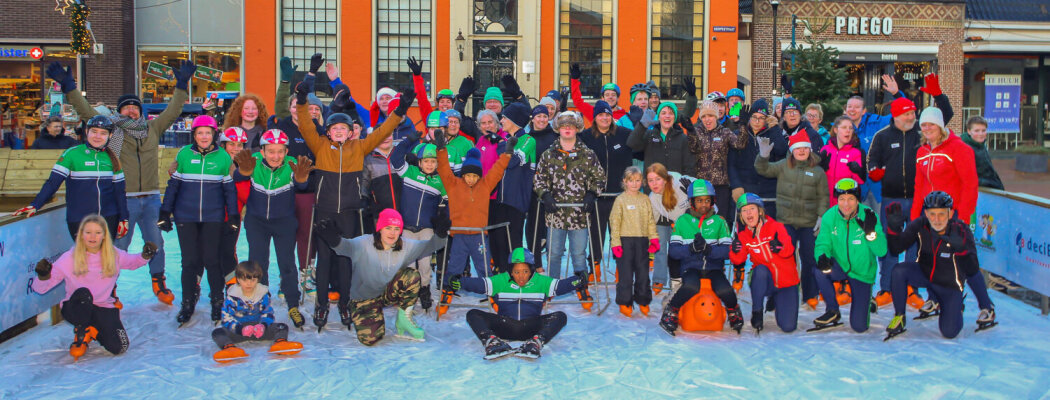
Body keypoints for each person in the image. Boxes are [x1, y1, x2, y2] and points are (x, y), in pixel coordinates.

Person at [48, 60, 192, 306]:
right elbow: (84, 111)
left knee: (155, 242)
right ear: (119, 111)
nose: (131, 111)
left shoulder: (152, 128)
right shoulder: (111, 130)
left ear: (141, 111)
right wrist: (69, 86)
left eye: (135, 108)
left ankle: (158, 281)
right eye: (126, 108)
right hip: (122, 200)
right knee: (116, 246)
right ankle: (109, 288)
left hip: (150, 198)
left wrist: (181, 85)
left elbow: (173, 110)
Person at [294, 71, 414, 330]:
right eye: (335, 128)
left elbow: (384, 129)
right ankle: (322, 304)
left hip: (349, 213)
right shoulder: (320, 147)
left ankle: (346, 303)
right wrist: (302, 99)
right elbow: (304, 124)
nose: (339, 132)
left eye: (344, 129)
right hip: (325, 212)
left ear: (350, 132)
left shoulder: (359, 147)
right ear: (328, 132)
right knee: (325, 259)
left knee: (346, 260)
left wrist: (401, 109)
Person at [867, 83, 953, 308]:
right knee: (890, 245)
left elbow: (947, 116)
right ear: (896, 115)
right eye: (907, 113)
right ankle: (887, 288)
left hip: (918, 199)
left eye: (913, 113)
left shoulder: (922, 134)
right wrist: (875, 171)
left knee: (915, 245)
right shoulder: (882, 136)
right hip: (891, 199)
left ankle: (911, 289)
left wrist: (938, 95)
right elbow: (872, 161)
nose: (912, 117)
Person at [30, 214, 158, 360]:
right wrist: (43, 276)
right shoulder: (69, 257)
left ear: (104, 235)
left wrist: (145, 256)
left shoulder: (113, 254)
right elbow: (40, 288)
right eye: (88, 232)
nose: (93, 237)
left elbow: (132, 262)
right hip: (76, 306)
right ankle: (82, 330)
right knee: (84, 294)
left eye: (97, 233)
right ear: (81, 235)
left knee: (120, 347)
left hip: (102, 306)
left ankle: (92, 331)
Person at [314, 208, 447, 344]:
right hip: (364, 298)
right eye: (388, 227)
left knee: (411, 276)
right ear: (380, 229)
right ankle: (373, 315)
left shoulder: (405, 246)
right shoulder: (364, 243)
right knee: (371, 338)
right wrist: (334, 240)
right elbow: (345, 247)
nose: (392, 233)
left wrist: (441, 234)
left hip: (386, 292)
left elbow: (431, 246)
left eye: (396, 228)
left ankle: (404, 320)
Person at [162, 114, 241, 326]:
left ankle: (217, 301)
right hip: (185, 216)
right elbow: (173, 186)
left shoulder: (223, 157)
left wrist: (233, 215)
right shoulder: (184, 155)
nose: (204, 136)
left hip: (212, 216)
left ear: (214, 134)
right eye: (200, 133)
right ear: (194, 135)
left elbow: (230, 192)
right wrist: (164, 212)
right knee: (189, 261)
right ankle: (187, 302)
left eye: (208, 132)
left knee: (212, 260)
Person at [883, 191, 995, 340]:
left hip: (949, 286)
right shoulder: (921, 224)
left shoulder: (960, 230)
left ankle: (962, 307)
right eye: (932, 214)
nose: (936, 219)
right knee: (899, 270)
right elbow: (896, 249)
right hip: (926, 275)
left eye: (942, 214)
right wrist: (893, 230)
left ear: (950, 213)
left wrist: (961, 251)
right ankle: (899, 316)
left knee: (949, 332)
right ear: (926, 214)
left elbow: (972, 270)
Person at [232, 129, 314, 329]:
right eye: (270, 151)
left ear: (286, 151)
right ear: (262, 151)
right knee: (259, 263)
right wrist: (242, 172)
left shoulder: (293, 163)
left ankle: (293, 305)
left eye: (280, 151)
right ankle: (261, 303)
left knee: (287, 263)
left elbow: (302, 188)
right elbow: (237, 180)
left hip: (284, 221)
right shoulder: (253, 161)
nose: (275, 156)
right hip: (257, 221)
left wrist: (302, 179)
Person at [534, 111, 606, 312]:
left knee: (578, 253)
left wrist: (592, 194)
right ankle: (551, 287)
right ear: (558, 129)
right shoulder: (549, 155)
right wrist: (545, 195)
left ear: (577, 129)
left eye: (571, 125)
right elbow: (539, 179)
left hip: (579, 215)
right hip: (556, 214)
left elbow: (599, 178)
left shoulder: (588, 154)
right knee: (554, 253)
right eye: (564, 125)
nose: (567, 128)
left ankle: (581, 286)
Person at [456, 248, 584, 359]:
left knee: (560, 316)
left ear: (532, 271)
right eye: (517, 272)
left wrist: (578, 280)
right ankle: (493, 342)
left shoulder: (541, 282)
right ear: (510, 271)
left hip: (531, 328)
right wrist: (459, 282)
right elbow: (478, 284)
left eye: (525, 271)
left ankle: (535, 343)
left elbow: (561, 286)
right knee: (473, 314)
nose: (521, 276)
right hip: (505, 325)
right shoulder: (500, 280)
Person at [435, 133, 512, 317]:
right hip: (460, 235)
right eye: (468, 175)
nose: (471, 179)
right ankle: (447, 290)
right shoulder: (453, 184)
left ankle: (492, 292)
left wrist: (507, 153)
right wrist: (440, 148)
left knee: (484, 266)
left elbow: (497, 170)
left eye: (474, 175)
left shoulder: (485, 185)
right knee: (455, 266)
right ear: (463, 174)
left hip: (478, 235)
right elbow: (444, 168)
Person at [15, 116, 128, 240]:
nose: (97, 136)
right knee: (85, 258)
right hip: (80, 218)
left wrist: (123, 218)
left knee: (106, 258)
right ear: (86, 132)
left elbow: (119, 192)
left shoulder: (113, 158)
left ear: (110, 136)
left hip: (109, 217)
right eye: (94, 131)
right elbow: (52, 183)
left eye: (103, 133)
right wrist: (35, 205)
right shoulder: (72, 154)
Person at [755, 131, 828, 309]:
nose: (801, 151)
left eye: (805, 148)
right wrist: (763, 156)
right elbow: (763, 169)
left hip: (809, 223)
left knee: (809, 258)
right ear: (792, 150)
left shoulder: (817, 172)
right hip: (786, 221)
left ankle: (810, 294)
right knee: (784, 257)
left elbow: (824, 196)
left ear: (809, 150)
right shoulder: (783, 166)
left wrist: (821, 216)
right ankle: (782, 293)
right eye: (798, 148)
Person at [661, 179, 743, 336]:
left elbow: (727, 251)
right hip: (691, 267)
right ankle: (672, 310)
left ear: (712, 201)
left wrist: (709, 250)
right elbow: (674, 251)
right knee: (691, 286)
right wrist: (691, 249)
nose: (703, 204)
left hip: (714, 268)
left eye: (707, 200)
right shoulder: (682, 221)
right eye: (699, 201)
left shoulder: (719, 222)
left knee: (725, 290)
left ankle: (733, 310)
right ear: (692, 202)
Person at [812, 178, 887, 333]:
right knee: (819, 270)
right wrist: (822, 256)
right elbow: (822, 244)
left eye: (851, 199)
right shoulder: (829, 216)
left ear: (857, 199)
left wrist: (871, 234)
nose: (846, 204)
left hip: (861, 272)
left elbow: (882, 251)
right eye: (842, 199)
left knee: (859, 327)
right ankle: (833, 310)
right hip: (840, 266)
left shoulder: (869, 215)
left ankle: (865, 298)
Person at [729, 193, 800, 334]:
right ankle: (757, 311)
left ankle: (776, 298)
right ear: (741, 216)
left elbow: (789, 250)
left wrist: (779, 247)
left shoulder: (776, 227)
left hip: (786, 282)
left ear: (760, 211)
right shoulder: (744, 236)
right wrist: (734, 249)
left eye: (752, 209)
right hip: (764, 281)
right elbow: (738, 260)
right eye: (744, 210)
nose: (748, 213)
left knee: (788, 326)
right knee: (760, 270)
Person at [580, 100, 634, 280]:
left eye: (607, 114)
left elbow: (641, 145)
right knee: (596, 235)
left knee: (619, 236)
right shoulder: (585, 137)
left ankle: (621, 268)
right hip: (596, 196)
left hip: (618, 196)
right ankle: (594, 267)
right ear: (595, 118)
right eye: (601, 115)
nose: (605, 118)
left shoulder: (624, 134)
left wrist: (640, 123)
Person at [392, 142, 448, 312]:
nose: (429, 165)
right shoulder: (410, 172)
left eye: (433, 162)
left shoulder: (440, 182)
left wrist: (442, 224)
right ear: (419, 162)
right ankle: (410, 291)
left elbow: (448, 204)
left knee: (424, 263)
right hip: (408, 227)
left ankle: (424, 289)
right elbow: (395, 158)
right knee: (409, 263)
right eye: (426, 161)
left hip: (426, 228)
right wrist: (409, 141)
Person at [211, 261, 303, 362]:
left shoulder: (262, 294)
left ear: (258, 279)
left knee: (282, 327)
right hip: (239, 330)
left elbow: (268, 313)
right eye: (244, 279)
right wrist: (240, 328)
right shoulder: (233, 296)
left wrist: (263, 325)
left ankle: (280, 342)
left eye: (253, 280)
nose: (249, 283)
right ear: (238, 279)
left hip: (258, 329)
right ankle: (229, 348)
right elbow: (226, 317)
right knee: (218, 332)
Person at [488, 102, 537, 275]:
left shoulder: (528, 139)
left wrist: (501, 144)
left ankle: (516, 275)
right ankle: (502, 274)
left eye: (504, 118)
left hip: (516, 201)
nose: (501, 121)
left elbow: (513, 160)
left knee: (513, 243)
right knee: (498, 241)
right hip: (500, 200)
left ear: (514, 120)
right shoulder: (508, 139)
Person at [911, 107, 978, 224]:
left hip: (951, 213)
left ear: (940, 126)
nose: (927, 128)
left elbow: (970, 184)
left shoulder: (959, 148)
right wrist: (915, 216)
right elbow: (919, 185)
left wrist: (963, 218)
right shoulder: (922, 151)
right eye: (924, 125)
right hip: (928, 212)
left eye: (932, 124)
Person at [609, 166, 659, 317]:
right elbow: (615, 223)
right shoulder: (620, 200)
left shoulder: (645, 199)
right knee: (625, 275)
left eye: (638, 180)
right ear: (625, 182)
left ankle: (643, 300)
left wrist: (654, 239)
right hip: (625, 242)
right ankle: (625, 302)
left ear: (642, 182)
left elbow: (650, 221)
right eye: (631, 181)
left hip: (642, 242)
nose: (635, 184)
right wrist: (616, 243)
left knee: (643, 273)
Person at [689, 100, 749, 223]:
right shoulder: (697, 132)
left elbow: (740, 144)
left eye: (710, 116)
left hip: (721, 185)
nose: (707, 119)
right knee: (701, 220)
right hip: (702, 185)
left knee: (720, 220)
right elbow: (692, 148)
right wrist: (690, 132)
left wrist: (743, 125)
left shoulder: (725, 132)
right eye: (704, 116)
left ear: (716, 117)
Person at [728, 98, 784, 217]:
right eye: (754, 117)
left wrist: (775, 128)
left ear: (766, 119)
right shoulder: (739, 134)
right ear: (749, 117)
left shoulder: (772, 133)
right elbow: (731, 163)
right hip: (745, 187)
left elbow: (782, 151)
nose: (757, 121)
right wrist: (736, 185)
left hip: (768, 190)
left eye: (762, 118)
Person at [646, 163, 692, 295]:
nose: (654, 183)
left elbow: (707, 196)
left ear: (665, 179)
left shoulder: (680, 183)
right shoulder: (653, 198)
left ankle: (683, 278)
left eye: (658, 179)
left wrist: (693, 193)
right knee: (660, 247)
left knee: (680, 250)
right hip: (668, 222)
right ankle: (659, 279)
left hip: (687, 222)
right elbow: (650, 221)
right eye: (650, 180)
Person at [215, 128, 252, 284]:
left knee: (228, 253)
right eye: (232, 144)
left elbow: (246, 196)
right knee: (207, 254)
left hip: (231, 218)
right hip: (210, 216)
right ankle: (211, 287)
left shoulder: (243, 168)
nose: (236, 148)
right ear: (223, 145)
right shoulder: (215, 162)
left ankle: (231, 287)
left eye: (239, 145)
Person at [525, 105, 557, 272]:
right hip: (533, 189)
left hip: (554, 188)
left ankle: (554, 261)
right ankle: (535, 262)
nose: (542, 119)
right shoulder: (527, 138)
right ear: (532, 118)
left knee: (554, 227)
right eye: (539, 116)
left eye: (545, 116)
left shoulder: (555, 137)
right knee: (534, 226)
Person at [627, 101, 695, 176]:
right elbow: (631, 143)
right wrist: (642, 125)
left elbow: (689, 166)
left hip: (674, 186)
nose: (667, 116)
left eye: (671, 113)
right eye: (663, 113)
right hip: (652, 185)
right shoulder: (649, 135)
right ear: (658, 117)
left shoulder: (683, 138)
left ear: (675, 117)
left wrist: (685, 183)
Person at [818, 116, 867, 207]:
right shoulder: (826, 149)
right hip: (825, 202)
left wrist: (858, 171)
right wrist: (820, 167)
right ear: (836, 130)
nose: (848, 130)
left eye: (851, 128)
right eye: (844, 127)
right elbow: (816, 177)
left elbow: (860, 181)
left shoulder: (856, 152)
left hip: (846, 204)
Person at [960, 116, 1004, 191]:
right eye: (977, 131)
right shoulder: (965, 149)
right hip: (981, 191)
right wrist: (993, 185)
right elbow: (966, 177)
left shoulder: (981, 146)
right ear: (969, 131)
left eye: (983, 130)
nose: (981, 134)